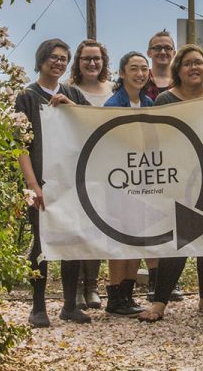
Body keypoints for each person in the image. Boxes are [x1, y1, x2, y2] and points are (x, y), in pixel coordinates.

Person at [138, 44, 203, 322]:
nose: (194, 67)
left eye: (199, 63)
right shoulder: (165, 100)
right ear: (178, 69)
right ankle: (159, 302)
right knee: (177, 238)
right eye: (188, 63)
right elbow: (154, 138)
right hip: (177, 178)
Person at [15, 39, 92, 327]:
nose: (58, 62)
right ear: (41, 59)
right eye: (53, 57)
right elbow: (19, 145)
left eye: (63, 58)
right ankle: (38, 307)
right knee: (41, 243)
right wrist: (32, 185)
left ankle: (70, 305)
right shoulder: (26, 96)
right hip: (42, 180)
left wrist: (71, 106)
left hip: (72, 180)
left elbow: (90, 124)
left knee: (72, 241)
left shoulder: (73, 93)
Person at [102, 52, 154, 316]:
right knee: (120, 238)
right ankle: (114, 295)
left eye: (144, 68)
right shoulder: (113, 104)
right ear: (122, 73)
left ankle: (127, 294)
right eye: (134, 68)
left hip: (143, 182)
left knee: (138, 238)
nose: (140, 73)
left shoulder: (149, 102)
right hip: (119, 182)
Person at [67, 39, 115, 310]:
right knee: (77, 228)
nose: (92, 63)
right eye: (86, 58)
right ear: (79, 61)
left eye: (97, 58)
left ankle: (92, 286)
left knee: (98, 227)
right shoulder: (69, 90)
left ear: (103, 61)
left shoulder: (113, 90)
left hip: (106, 167)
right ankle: (74, 287)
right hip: (76, 166)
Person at [140, 30, 181, 301]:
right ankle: (154, 277)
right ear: (149, 52)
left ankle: (170, 278)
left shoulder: (184, 80)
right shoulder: (141, 80)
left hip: (179, 158)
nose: (163, 52)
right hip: (147, 158)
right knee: (149, 218)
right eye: (158, 48)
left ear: (174, 52)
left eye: (168, 47)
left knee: (175, 219)